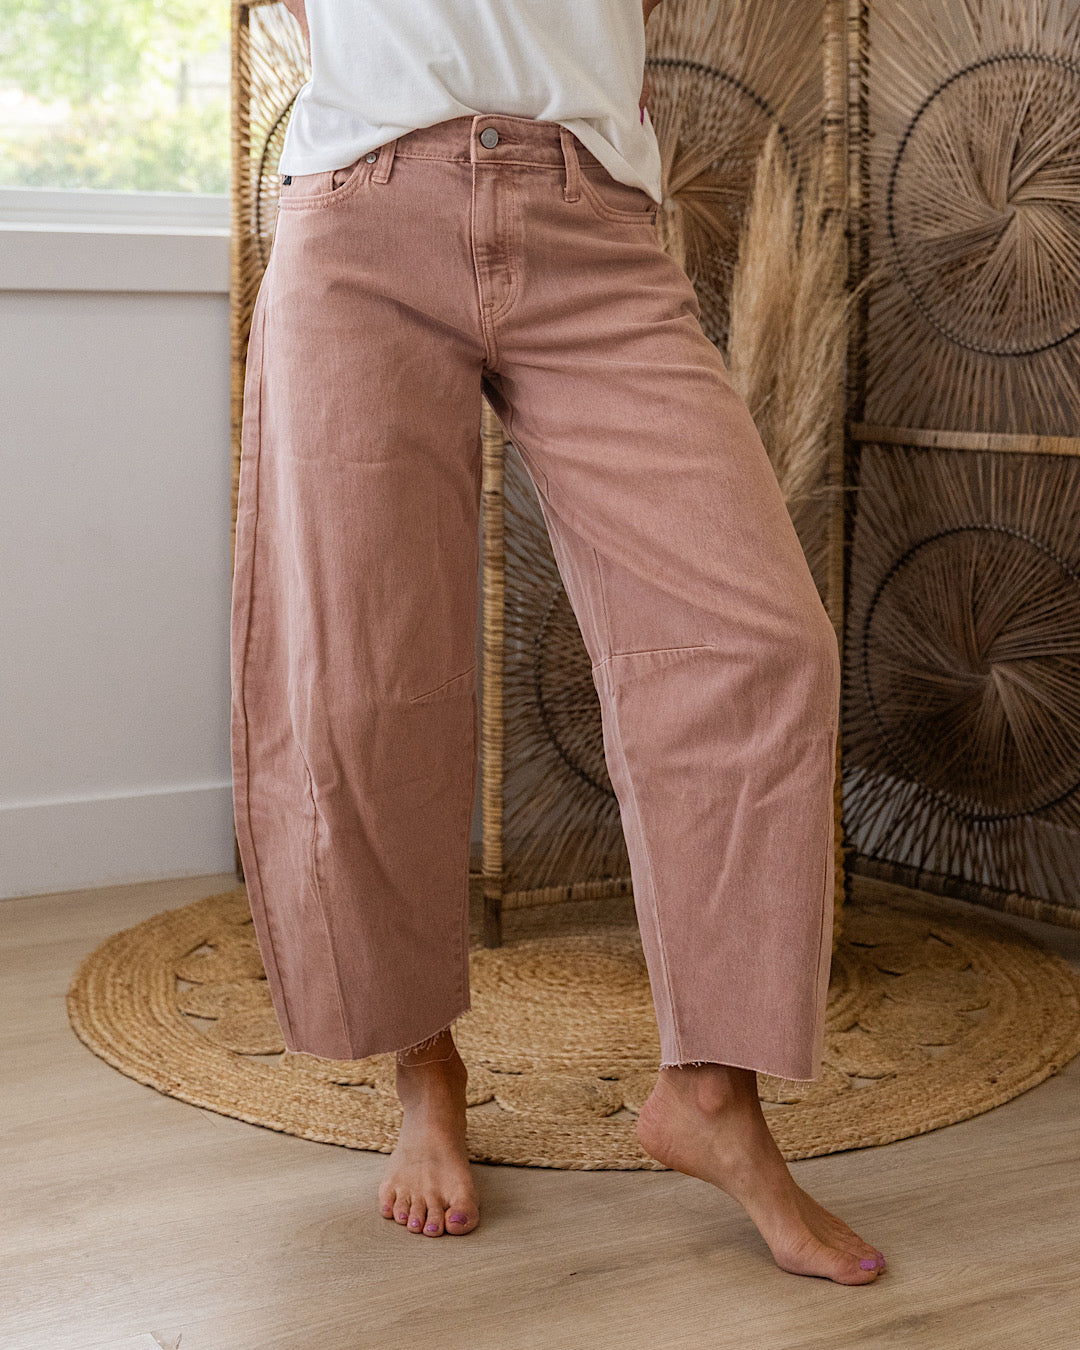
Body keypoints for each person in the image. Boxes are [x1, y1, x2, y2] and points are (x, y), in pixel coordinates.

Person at [231, 0, 886, 1284]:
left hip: (592, 220)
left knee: (763, 644)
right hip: (365, 208)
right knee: (362, 680)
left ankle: (710, 1094)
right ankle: (424, 1067)